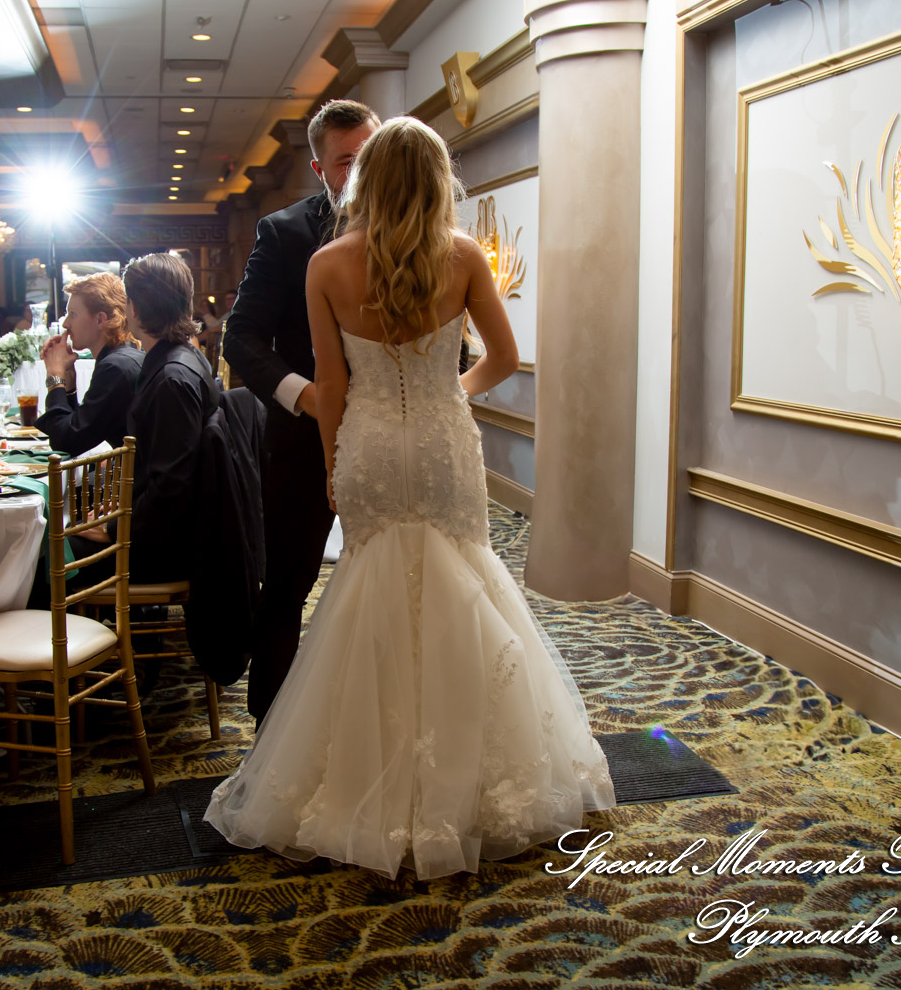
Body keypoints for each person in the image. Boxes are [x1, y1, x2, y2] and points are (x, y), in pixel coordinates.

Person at [205, 116, 615, 880]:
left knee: (370, 593)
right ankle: (474, 769)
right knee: (465, 580)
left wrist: (335, 460)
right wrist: (446, 394)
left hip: (367, 442)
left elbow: (331, 385)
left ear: (364, 181)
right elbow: (505, 357)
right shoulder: (461, 256)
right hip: (442, 443)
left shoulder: (328, 264)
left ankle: (369, 773)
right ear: (435, 180)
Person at [222, 98, 380, 725]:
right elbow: (241, 340)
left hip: (394, 440)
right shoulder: (285, 233)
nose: (363, 172)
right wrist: (308, 397)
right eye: (348, 162)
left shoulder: (415, 231)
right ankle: (268, 738)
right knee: (287, 589)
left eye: (371, 155)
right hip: (302, 443)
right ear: (319, 168)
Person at [120, 253, 215, 583]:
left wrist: (113, 527)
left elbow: (170, 489)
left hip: (166, 547)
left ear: (134, 308)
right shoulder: (184, 357)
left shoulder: (171, 378)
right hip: (172, 531)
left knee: (50, 554)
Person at [37, 271, 144, 455]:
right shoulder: (125, 356)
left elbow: (65, 442)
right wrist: (68, 383)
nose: (65, 324)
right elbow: (78, 428)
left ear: (100, 319)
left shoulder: (116, 368)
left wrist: (55, 377)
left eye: (73, 314)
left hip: (132, 481)